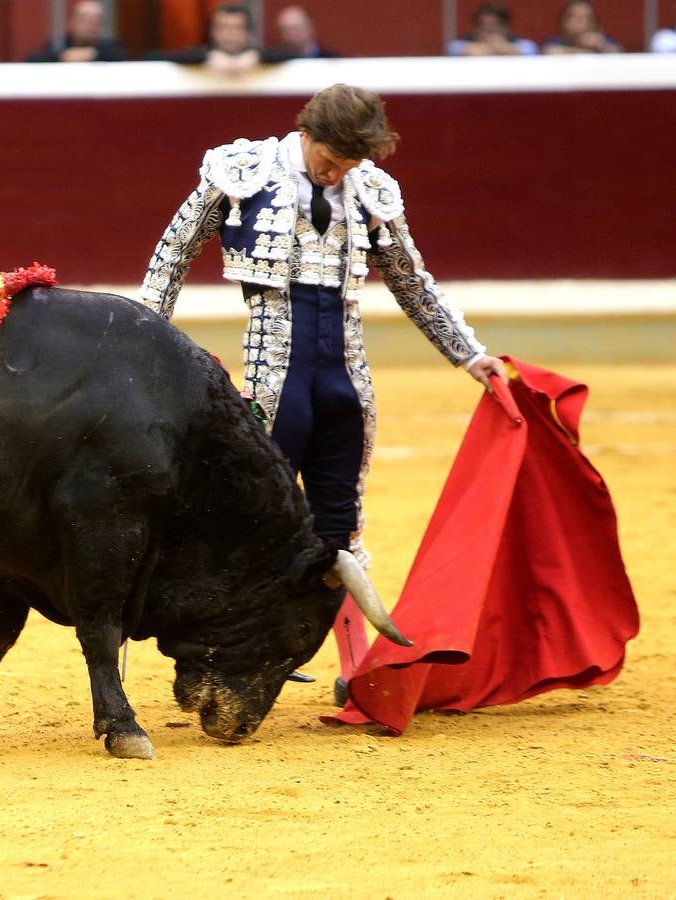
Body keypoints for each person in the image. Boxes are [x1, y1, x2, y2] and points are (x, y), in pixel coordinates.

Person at [138, 84, 507, 686]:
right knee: (254, 521)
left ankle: (355, 665)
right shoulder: (243, 170)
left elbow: (412, 282)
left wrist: (470, 356)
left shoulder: (371, 191)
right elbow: (173, 251)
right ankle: (242, 645)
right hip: (269, 381)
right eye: (329, 160)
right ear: (306, 133)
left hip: (346, 383)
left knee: (342, 525)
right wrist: (145, 338)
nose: (337, 174)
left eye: (349, 165)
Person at [157, 4, 260, 75]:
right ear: (211, 31)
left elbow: (274, 54)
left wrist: (256, 56)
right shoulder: (198, 54)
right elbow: (152, 56)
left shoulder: (256, 55)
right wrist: (208, 57)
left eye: (237, 27)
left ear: (249, 33)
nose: (230, 34)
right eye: (223, 27)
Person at [25, 0, 126, 63]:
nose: (91, 25)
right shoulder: (57, 45)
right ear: (71, 22)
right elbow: (34, 60)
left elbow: (121, 58)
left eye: (96, 20)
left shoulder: (110, 47)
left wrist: (93, 54)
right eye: (84, 19)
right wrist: (63, 57)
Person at [447, 3, 538, 56]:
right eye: (483, 27)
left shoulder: (518, 43)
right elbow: (452, 48)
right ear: (475, 28)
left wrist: (507, 49)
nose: (488, 32)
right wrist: (473, 49)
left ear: (505, 27)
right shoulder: (463, 42)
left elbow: (531, 49)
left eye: (493, 27)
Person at [263, 5, 337, 61]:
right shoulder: (273, 61)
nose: (289, 35)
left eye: (294, 28)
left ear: (309, 28)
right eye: (283, 30)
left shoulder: (331, 60)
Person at [543, 0, 620, 54]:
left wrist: (602, 46)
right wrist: (581, 51)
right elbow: (549, 51)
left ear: (594, 22)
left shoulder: (602, 41)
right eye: (574, 17)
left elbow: (619, 53)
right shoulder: (557, 41)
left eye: (585, 17)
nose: (579, 21)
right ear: (564, 21)